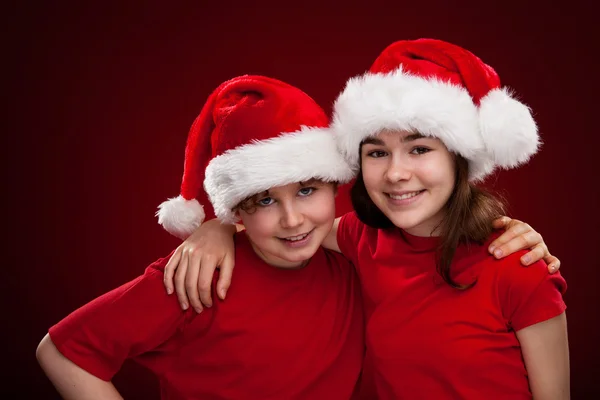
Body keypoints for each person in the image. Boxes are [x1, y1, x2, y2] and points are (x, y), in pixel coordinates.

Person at [162, 39, 568, 399]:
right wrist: (215, 228)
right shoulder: (364, 239)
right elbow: (285, 223)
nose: (395, 173)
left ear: (458, 157)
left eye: (419, 149)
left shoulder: (519, 266)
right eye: (376, 153)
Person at [36, 75, 364, 399]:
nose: (293, 220)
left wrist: (217, 228)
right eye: (265, 200)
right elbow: (64, 352)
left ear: (335, 186)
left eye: (307, 190)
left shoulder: (354, 259)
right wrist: (218, 229)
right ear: (237, 210)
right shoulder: (197, 276)